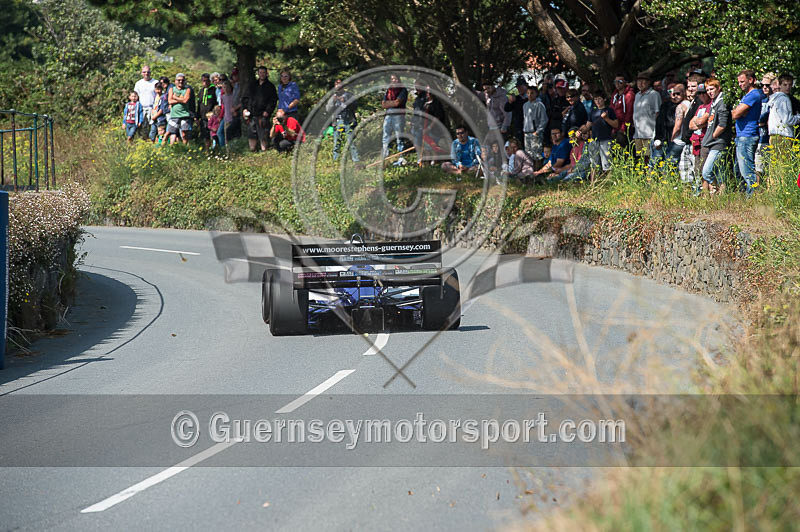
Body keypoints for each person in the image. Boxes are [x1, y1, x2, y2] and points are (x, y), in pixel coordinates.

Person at [730, 69, 762, 196]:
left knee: (747, 170)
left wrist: (737, 112)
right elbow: (736, 113)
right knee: (738, 170)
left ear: (751, 80)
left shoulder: (753, 95)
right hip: (742, 136)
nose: (740, 84)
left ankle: (753, 197)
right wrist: (737, 112)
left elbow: (735, 114)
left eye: (742, 81)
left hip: (747, 136)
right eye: (739, 82)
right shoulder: (747, 96)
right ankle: (745, 196)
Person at [700, 79, 731, 194]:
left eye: (712, 89)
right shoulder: (714, 102)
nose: (709, 92)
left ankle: (716, 188)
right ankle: (722, 195)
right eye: (707, 90)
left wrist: (712, 136)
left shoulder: (722, 102)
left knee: (706, 172)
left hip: (718, 142)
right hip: (712, 142)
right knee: (720, 172)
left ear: (718, 88)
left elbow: (722, 124)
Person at [325, 79, 359, 162]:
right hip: (337, 121)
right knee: (337, 143)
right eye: (336, 84)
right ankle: (335, 161)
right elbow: (328, 109)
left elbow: (355, 106)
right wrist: (333, 101)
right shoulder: (333, 97)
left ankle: (356, 160)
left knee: (351, 142)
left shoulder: (349, 95)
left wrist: (345, 101)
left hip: (348, 120)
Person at [767, 73, 800, 159]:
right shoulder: (784, 99)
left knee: (776, 162)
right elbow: (788, 120)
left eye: (790, 85)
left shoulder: (775, 98)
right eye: (785, 85)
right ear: (779, 85)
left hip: (774, 135)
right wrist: (798, 117)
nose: (788, 87)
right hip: (783, 135)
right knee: (783, 162)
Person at [586, 90, 618, 172]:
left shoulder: (609, 110)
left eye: (599, 99)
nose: (597, 101)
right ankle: (594, 180)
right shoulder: (592, 111)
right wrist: (581, 131)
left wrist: (606, 118)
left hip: (606, 140)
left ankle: (608, 179)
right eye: (595, 99)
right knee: (594, 165)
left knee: (607, 165)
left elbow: (616, 124)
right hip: (594, 140)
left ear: (604, 99)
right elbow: (588, 125)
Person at [247, 66, 278, 152]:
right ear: (258, 73)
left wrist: (268, 111)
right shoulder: (253, 85)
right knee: (251, 133)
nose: (262, 74)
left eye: (263, 73)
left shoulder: (270, 86)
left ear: (266, 74)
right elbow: (247, 97)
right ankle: (252, 150)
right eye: (260, 72)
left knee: (263, 134)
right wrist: (246, 109)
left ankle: (264, 151)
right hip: (252, 114)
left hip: (263, 115)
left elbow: (273, 100)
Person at [632, 72, 661, 161]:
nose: (640, 83)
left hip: (650, 134)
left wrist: (656, 133)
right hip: (638, 133)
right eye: (638, 81)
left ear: (649, 82)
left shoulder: (654, 94)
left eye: (643, 81)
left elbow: (658, 113)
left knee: (650, 159)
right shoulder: (637, 95)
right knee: (641, 159)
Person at [381, 73, 408, 164]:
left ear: (398, 80)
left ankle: (401, 156)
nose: (394, 80)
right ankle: (385, 156)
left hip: (398, 115)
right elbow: (383, 104)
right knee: (386, 136)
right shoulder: (389, 90)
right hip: (388, 114)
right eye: (392, 79)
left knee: (399, 136)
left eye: (395, 79)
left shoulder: (403, 90)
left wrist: (389, 103)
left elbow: (397, 103)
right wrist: (392, 103)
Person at [756, 72, 776, 176]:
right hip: (759, 137)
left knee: (769, 169)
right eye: (762, 85)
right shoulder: (761, 100)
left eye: (767, 85)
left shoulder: (776, 100)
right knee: (758, 169)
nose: (764, 87)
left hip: (770, 137)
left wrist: (762, 122)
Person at [522, 85, 548, 165]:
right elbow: (525, 119)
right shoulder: (525, 105)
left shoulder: (539, 104)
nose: (530, 95)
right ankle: (529, 170)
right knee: (528, 154)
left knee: (537, 154)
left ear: (536, 94)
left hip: (535, 133)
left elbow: (544, 119)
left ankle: (538, 170)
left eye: (532, 93)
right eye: (528, 93)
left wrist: (537, 131)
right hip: (527, 133)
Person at [167, 73, 193, 145]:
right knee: (172, 132)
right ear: (175, 81)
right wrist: (181, 99)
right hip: (174, 115)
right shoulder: (171, 89)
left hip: (184, 114)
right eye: (179, 80)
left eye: (182, 80)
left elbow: (185, 100)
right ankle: (171, 147)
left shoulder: (187, 89)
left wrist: (175, 97)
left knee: (184, 134)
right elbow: (170, 101)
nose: (180, 81)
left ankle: (184, 147)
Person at [611, 74, 635, 146]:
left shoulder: (629, 95)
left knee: (626, 150)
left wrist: (623, 128)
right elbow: (611, 110)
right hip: (615, 128)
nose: (617, 84)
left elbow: (629, 113)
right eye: (615, 82)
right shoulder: (615, 95)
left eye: (620, 81)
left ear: (625, 82)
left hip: (625, 129)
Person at [134, 65, 157, 140]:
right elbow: (135, 96)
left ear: (150, 73)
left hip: (153, 108)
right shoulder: (138, 83)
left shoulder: (155, 82)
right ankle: (143, 140)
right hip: (142, 108)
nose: (146, 73)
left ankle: (152, 140)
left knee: (153, 126)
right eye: (144, 72)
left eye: (148, 72)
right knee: (142, 126)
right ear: (141, 73)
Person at [504, 77, 529, 142]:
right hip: (518, 127)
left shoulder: (530, 98)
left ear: (526, 86)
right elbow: (506, 109)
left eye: (521, 87)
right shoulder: (516, 99)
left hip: (529, 126)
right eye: (518, 87)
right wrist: (510, 102)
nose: (519, 89)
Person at [196, 73, 218, 148]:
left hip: (212, 116)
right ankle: (207, 149)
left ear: (209, 81)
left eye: (206, 80)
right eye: (203, 81)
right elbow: (199, 104)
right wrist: (197, 117)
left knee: (213, 133)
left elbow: (216, 103)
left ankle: (215, 148)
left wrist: (214, 113)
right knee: (205, 134)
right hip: (203, 117)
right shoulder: (201, 91)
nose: (205, 82)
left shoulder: (214, 90)